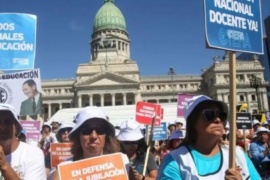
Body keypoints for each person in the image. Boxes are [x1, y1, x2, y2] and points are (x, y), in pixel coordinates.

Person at [157, 95, 260, 180]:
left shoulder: (238, 154)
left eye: (222, 115)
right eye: (209, 114)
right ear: (192, 122)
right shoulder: (175, 161)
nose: (218, 120)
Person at [49, 106, 134, 180]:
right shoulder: (64, 170)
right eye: (87, 130)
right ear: (78, 136)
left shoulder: (122, 164)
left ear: (106, 136)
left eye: (100, 130)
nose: (94, 136)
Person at [0, 103, 46, 179]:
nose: (2, 127)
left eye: (7, 122)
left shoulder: (33, 153)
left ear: (17, 128)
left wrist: (4, 166)